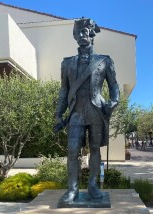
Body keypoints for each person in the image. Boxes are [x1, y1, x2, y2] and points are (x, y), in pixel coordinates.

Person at [55, 18, 119, 204]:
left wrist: (114, 100)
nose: (82, 35)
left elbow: (114, 86)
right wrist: (59, 113)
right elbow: (64, 90)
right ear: (75, 36)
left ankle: (92, 186)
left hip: (96, 110)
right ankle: (72, 189)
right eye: (78, 32)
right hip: (75, 112)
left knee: (95, 149)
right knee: (73, 150)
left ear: (91, 34)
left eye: (85, 32)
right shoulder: (67, 63)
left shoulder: (104, 61)